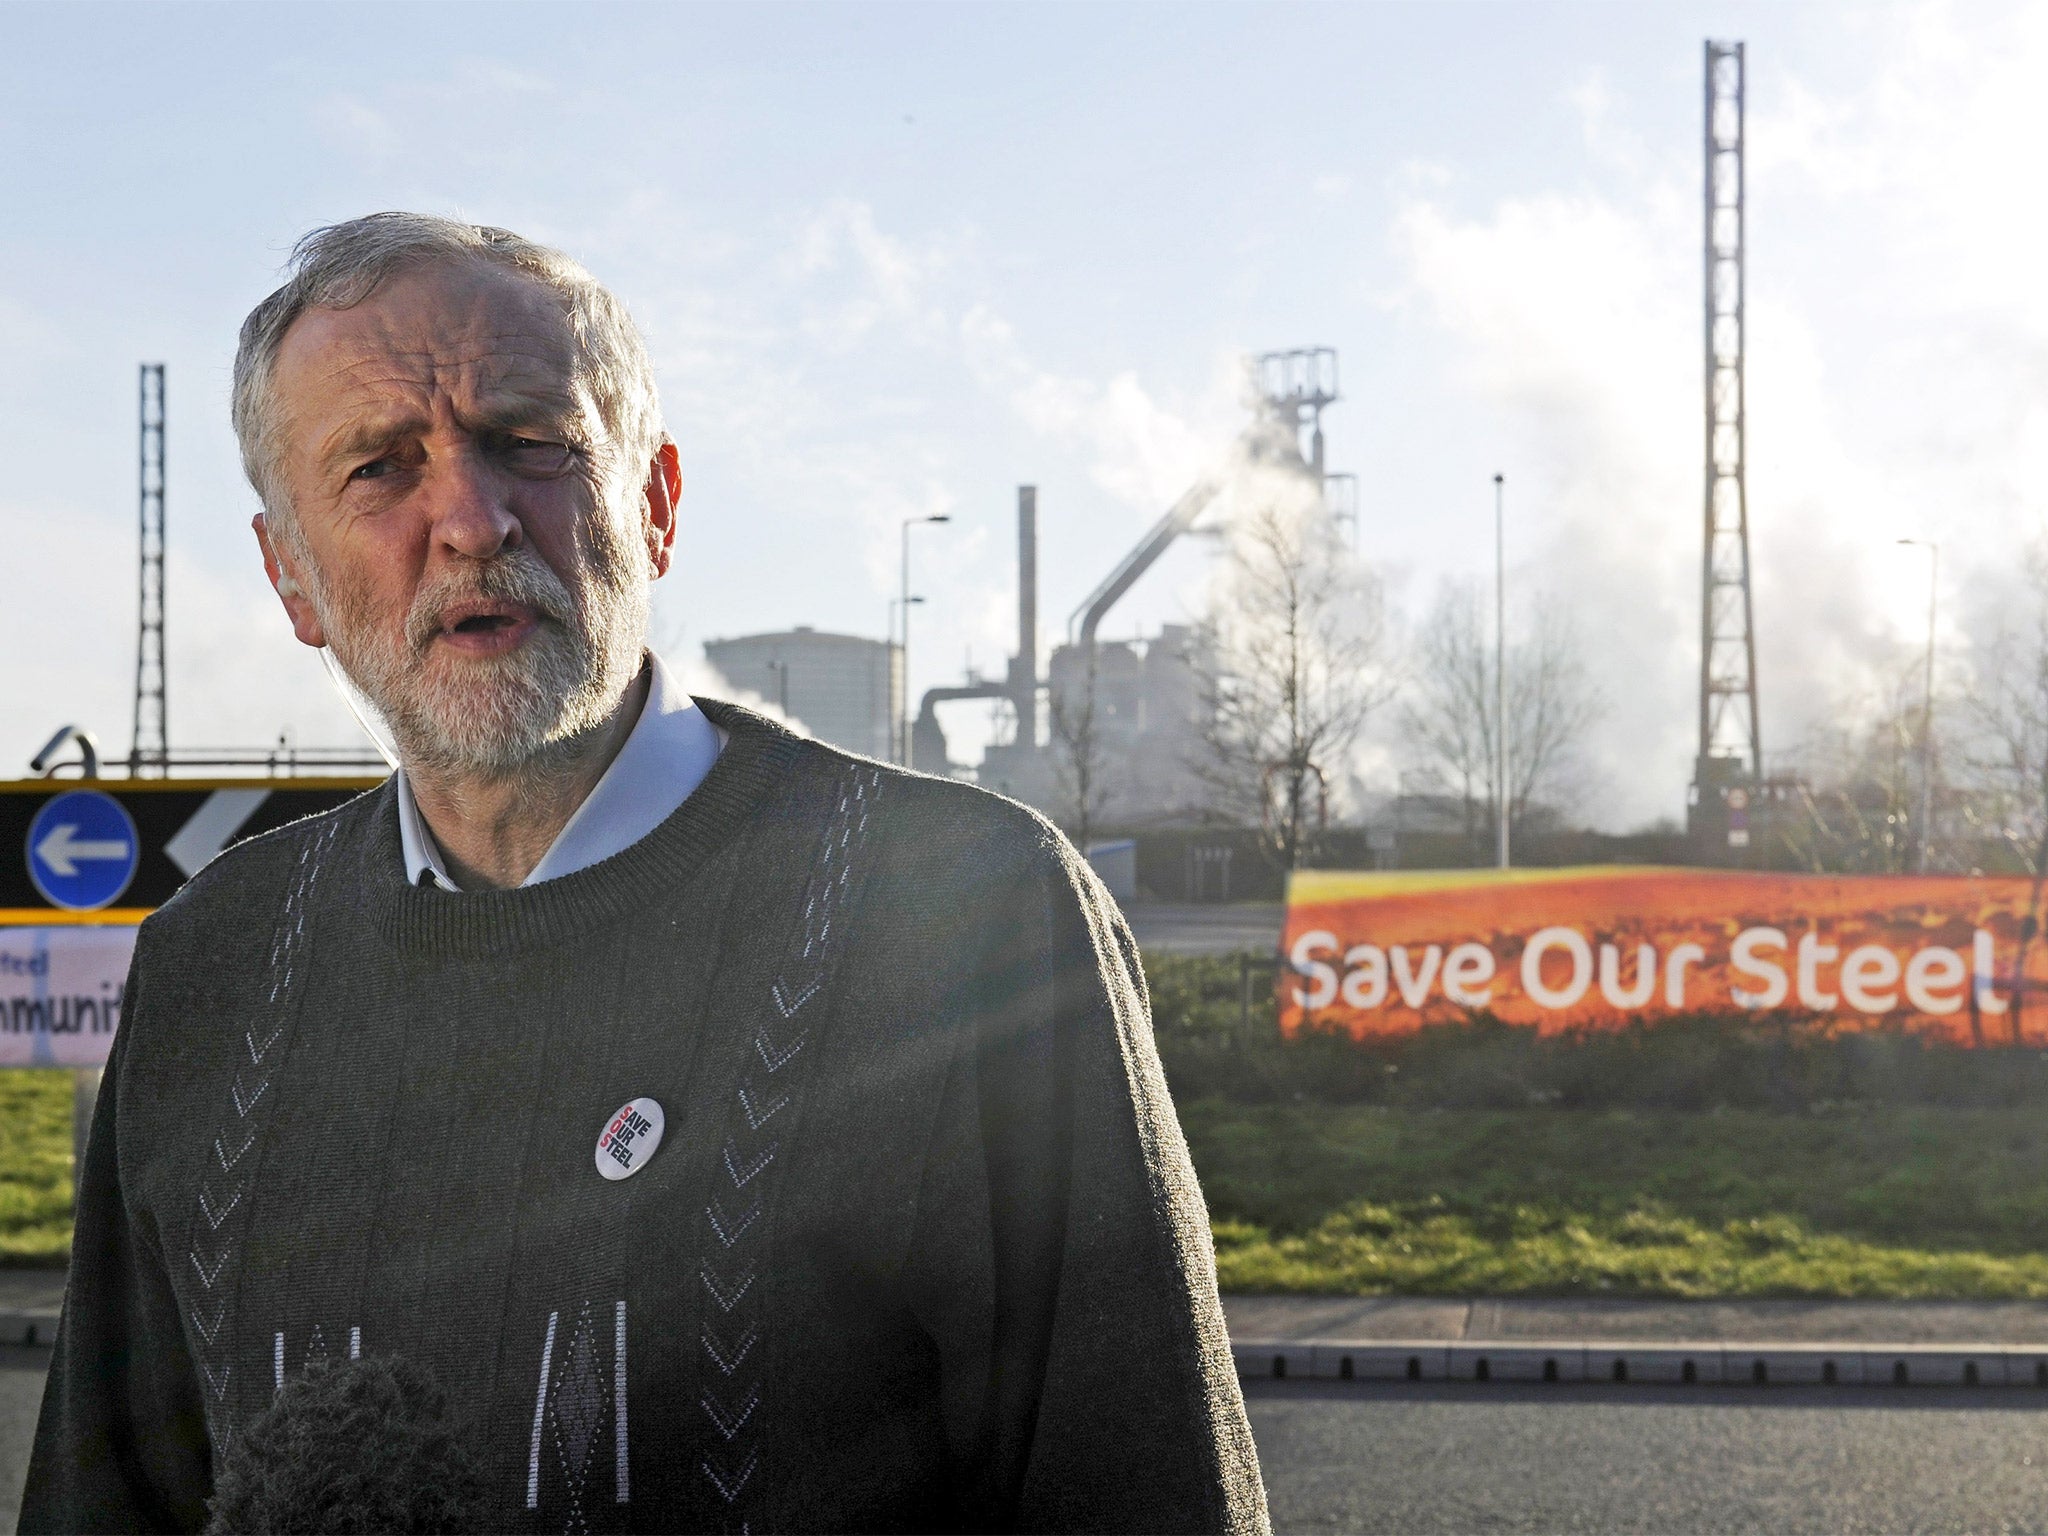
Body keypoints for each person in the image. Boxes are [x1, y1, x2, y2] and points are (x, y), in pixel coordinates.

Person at [21, 213, 1267, 1534]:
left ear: (656, 505)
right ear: (292, 579)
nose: (472, 519)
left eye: (531, 444)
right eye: (381, 468)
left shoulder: (970, 918)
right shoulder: (212, 962)